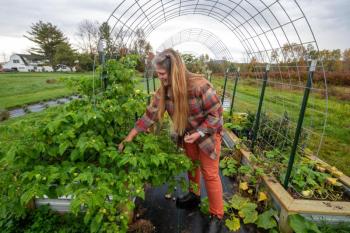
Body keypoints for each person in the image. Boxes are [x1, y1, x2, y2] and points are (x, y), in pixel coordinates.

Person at [119, 48, 224, 233]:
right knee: (191, 165)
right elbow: (150, 115)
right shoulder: (164, 91)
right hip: (188, 134)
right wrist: (130, 136)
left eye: (162, 74)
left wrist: (199, 132)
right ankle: (194, 195)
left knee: (210, 173)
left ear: (173, 71)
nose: (160, 77)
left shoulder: (200, 86)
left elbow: (216, 115)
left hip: (207, 134)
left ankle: (217, 216)